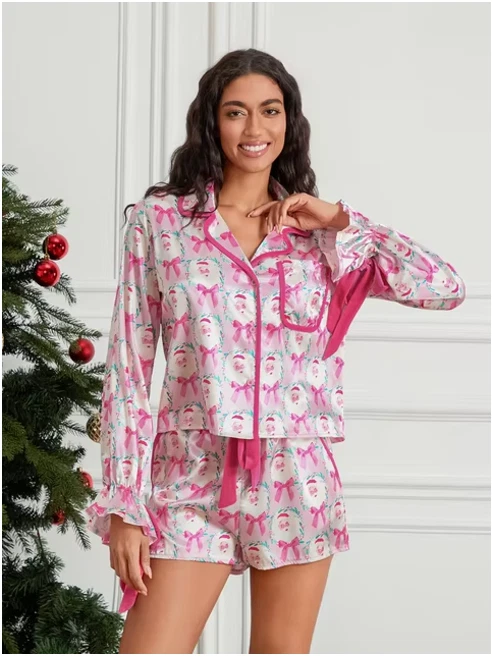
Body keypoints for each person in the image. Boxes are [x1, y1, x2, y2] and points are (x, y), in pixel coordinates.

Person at [85, 48, 465, 654]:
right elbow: (129, 368)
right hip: (189, 475)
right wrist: (126, 504)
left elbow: (445, 287)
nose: (254, 128)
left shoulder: (319, 237)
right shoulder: (162, 223)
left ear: (289, 121)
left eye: (270, 110)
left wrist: (339, 219)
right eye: (236, 112)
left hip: (296, 475)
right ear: (212, 121)